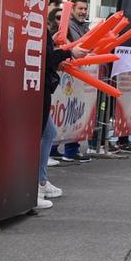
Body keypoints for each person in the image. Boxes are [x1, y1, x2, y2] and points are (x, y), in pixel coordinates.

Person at [40, 12, 89, 207]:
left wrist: (59, 56)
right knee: (43, 133)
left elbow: (48, 56)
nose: (60, 17)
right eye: (56, 12)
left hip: (41, 85)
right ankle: (36, 184)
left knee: (48, 131)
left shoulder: (42, 28)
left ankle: (41, 181)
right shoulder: (36, 26)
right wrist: (69, 53)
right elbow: (45, 57)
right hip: (36, 87)